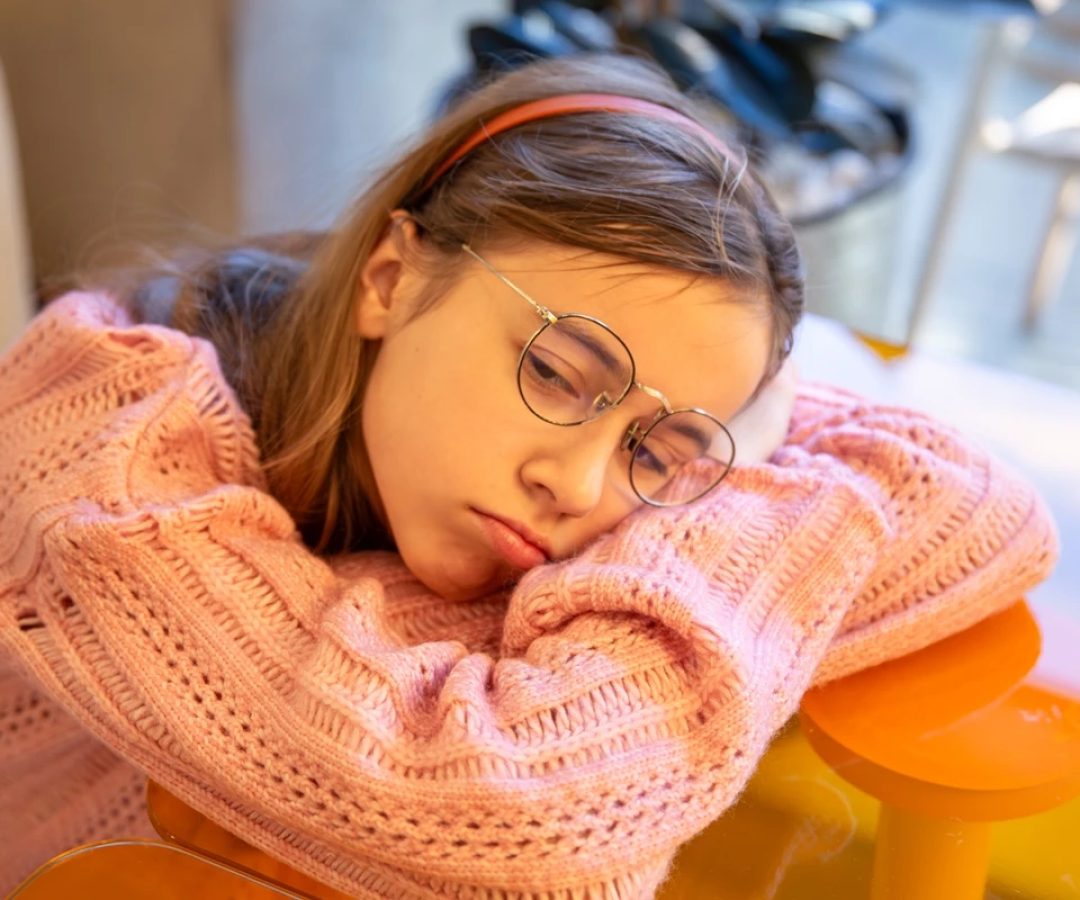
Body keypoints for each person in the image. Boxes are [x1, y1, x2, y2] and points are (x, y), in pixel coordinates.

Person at [0, 54, 1057, 897]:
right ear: (390, 278)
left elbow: (972, 504)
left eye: (656, 451)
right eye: (557, 372)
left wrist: (730, 466)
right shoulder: (109, 444)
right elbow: (536, 814)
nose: (582, 486)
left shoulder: (469, 455)